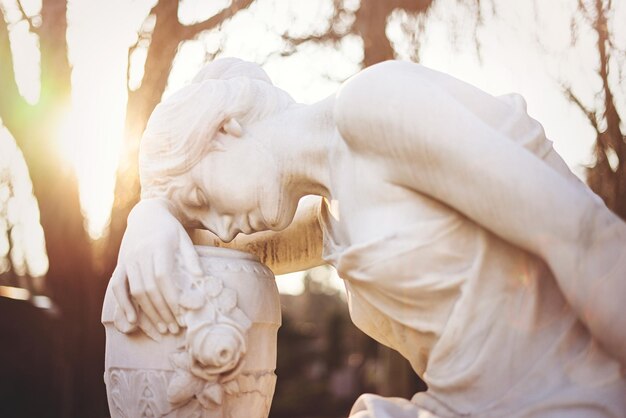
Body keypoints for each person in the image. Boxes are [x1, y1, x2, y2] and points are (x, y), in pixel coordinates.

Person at [111, 58, 626, 417]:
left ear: (225, 130)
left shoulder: (372, 107)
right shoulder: (331, 212)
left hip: (563, 400)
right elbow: (222, 252)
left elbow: (583, 238)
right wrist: (149, 217)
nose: (220, 226)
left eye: (201, 196)